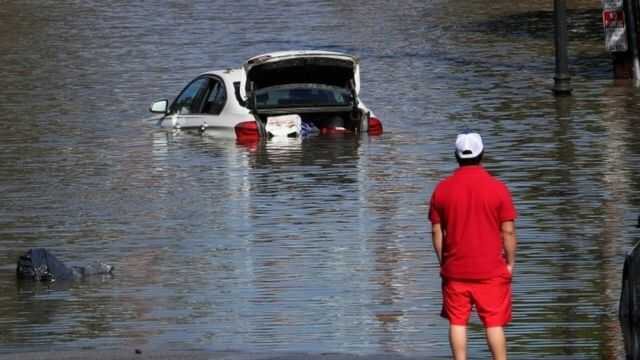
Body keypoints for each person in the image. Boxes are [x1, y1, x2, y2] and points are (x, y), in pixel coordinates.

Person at [428, 132, 517, 360]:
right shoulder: (498, 188)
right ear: (482, 154)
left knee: (458, 322)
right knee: (494, 323)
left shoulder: (442, 189)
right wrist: (510, 263)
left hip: (455, 269)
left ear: (456, 157)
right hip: (491, 270)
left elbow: (437, 231)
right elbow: (507, 231)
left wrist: (444, 262)